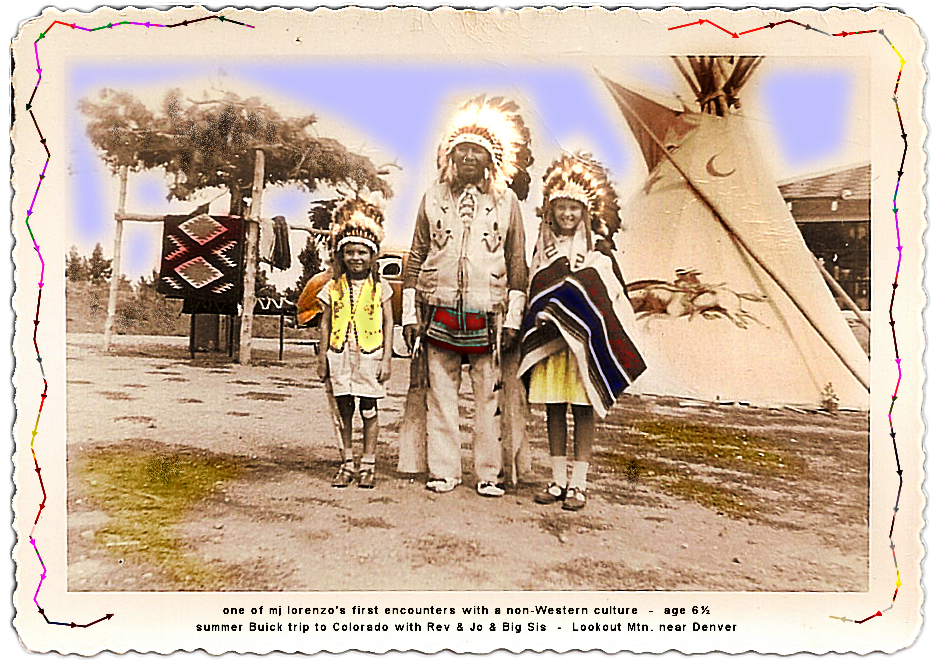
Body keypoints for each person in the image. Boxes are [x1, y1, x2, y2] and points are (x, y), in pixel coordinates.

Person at [401, 96, 533, 497]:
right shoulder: (432, 197)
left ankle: (489, 474)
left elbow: (517, 264)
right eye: (463, 150)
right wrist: (409, 315)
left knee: (489, 400)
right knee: (440, 397)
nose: (470, 157)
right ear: (451, 155)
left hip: (489, 317)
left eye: (478, 150)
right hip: (437, 311)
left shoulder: (506, 202)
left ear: (491, 157)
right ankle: (443, 471)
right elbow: (416, 256)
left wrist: (512, 320)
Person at [518, 154, 647, 510]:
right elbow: (535, 287)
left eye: (574, 209)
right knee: (555, 409)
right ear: (551, 211)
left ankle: (579, 482)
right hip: (552, 344)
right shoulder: (543, 250)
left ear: (585, 212)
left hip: (585, 345)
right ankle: (557, 479)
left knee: (583, 408)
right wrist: (542, 313)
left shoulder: (598, 249)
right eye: (561, 208)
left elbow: (610, 295)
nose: (567, 215)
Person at [316, 197, 394, 489]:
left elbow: (388, 322)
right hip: (339, 354)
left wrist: (387, 358)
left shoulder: (380, 288)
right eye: (349, 252)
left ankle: (369, 464)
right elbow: (325, 323)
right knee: (344, 408)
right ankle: (347, 462)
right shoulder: (332, 287)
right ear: (341, 255)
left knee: (369, 409)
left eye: (362, 252)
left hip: (370, 356)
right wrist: (322, 357)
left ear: (373, 257)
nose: (356, 258)